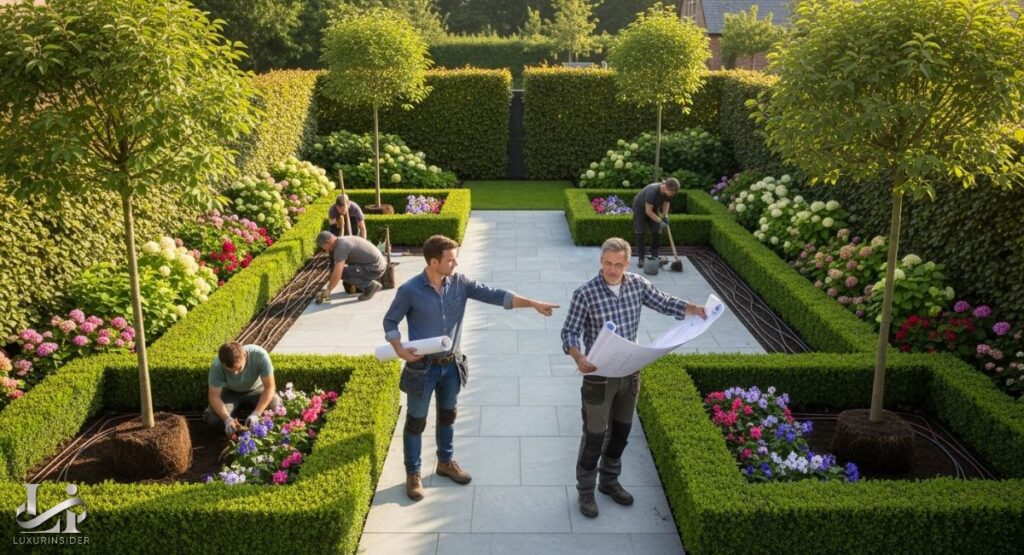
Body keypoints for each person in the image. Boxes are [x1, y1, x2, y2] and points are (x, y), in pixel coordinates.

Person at [383, 234, 560, 501]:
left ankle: (445, 462)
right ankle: (414, 474)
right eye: (451, 259)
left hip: (451, 367)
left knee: (448, 416)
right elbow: (390, 321)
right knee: (416, 422)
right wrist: (398, 348)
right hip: (422, 369)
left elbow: (496, 295)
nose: (456, 263)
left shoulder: (461, 283)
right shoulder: (409, 290)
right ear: (434, 262)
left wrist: (532, 303)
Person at [560, 237, 706, 518]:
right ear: (601, 262)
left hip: (630, 374)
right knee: (594, 437)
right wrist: (579, 358)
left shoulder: (638, 284)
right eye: (607, 264)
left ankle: (610, 481)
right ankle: (586, 491)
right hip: (598, 378)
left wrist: (694, 309)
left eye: (618, 264)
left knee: (621, 434)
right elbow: (569, 333)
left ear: (627, 264)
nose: (612, 270)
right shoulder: (585, 293)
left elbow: (664, 303)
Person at [204, 342, 283, 436]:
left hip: (257, 390)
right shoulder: (217, 365)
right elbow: (214, 397)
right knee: (212, 418)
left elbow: (270, 387)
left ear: (245, 355)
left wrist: (257, 413)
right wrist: (227, 419)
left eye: (239, 368)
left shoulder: (260, 355)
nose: (236, 374)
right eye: (231, 370)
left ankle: (261, 430)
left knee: (277, 408)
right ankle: (233, 430)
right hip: (230, 392)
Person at [316, 230, 385, 302]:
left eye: (323, 246)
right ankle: (368, 284)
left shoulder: (341, 248)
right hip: (376, 265)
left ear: (329, 240)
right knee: (346, 270)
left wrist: (328, 290)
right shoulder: (342, 240)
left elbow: (338, 274)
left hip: (375, 269)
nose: (324, 249)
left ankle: (370, 286)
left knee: (343, 273)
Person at [630, 177, 680, 265]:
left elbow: (666, 202)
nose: (672, 194)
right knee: (640, 231)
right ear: (665, 187)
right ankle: (641, 258)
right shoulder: (652, 192)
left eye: (674, 193)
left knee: (657, 230)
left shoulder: (669, 192)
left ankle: (654, 255)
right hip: (640, 208)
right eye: (671, 192)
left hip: (653, 207)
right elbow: (648, 211)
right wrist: (660, 221)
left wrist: (665, 216)